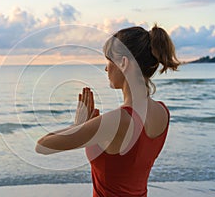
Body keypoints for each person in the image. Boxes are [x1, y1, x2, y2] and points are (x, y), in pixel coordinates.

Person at [35, 24, 180, 196]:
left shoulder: (117, 121)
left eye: (108, 60)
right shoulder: (162, 112)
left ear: (123, 63)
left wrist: (77, 126)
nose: (106, 68)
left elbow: (43, 145)